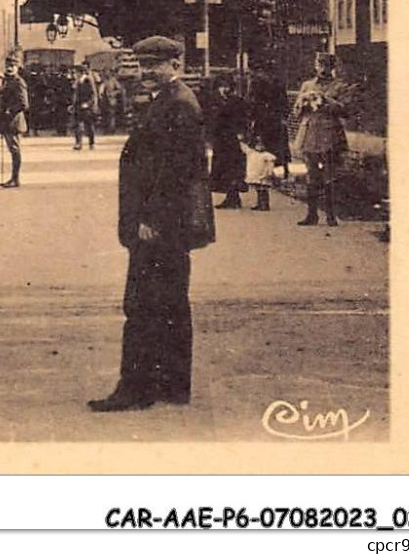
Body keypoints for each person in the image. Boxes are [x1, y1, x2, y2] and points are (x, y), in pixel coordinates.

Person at [90, 36, 212, 412]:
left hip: (160, 224)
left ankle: (136, 389)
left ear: (176, 64)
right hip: (166, 223)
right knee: (171, 302)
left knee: (143, 304)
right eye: (142, 64)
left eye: (155, 64)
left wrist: (151, 218)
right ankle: (172, 385)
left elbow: (176, 171)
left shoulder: (177, 105)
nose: (146, 71)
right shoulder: (171, 101)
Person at [293, 53, 349, 226]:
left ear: (332, 67)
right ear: (315, 66)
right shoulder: (307, 85)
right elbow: (296, 112)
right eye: (320, 65)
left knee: (329, 175)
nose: (322, 69)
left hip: (330, 135)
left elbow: (345, 111)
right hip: (309, 133)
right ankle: (312, 215)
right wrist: (302, 103)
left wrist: (325, 100)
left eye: (326, 65)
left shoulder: (339, 86)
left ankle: (331, 216)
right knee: (311, 175)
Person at [245, 68, 290, 212]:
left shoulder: (257, 86)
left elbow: (251, 107)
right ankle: (264, 199)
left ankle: (263, 200)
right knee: (267, 162)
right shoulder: (278, 85)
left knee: (259, 163)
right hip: (274, 128)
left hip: (262, 128)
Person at [208, 75, 248, 210]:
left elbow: (242, 119)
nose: (224, 89)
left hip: (232, 139)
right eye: (221, 86)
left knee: (233, 168)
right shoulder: (215, 101)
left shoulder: (237, 101)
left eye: (226, 86)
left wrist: (241, 134)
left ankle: (233, 197)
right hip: (220, 139)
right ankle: (231, 197)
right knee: (224, 169)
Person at [0, 59, 29, 187]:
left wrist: (10, 111)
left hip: (14, 121)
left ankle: (15, 178)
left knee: (15, 150)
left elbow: (24, 104)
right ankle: (13, 178)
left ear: (17, 67)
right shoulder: (8, 81)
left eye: (12, 66)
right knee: (12, 150)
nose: (9, 68)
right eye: (7, 66)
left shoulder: (18, 82)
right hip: (7, 121)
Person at [71, 65, 98, 150]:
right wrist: (73, 104)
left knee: (89, 125)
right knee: (77, 125)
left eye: (76, 72)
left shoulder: (88, 80)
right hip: (78, 106)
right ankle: (78, 143)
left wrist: (88, 104)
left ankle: (92, 143)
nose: (75, 74)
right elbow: (75, 95)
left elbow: (93, 94)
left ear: (80, 72)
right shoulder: (78, 82)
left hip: (86, 107)